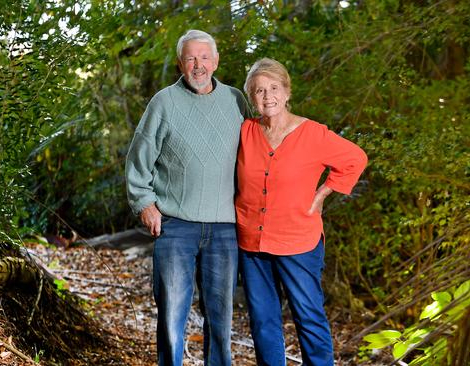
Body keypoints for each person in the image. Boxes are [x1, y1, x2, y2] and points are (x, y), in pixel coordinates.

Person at [125, 29, 250, 366]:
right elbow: (139, 158)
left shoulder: (237, 101)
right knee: (171, 316)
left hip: (224, 227)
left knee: (221, 318)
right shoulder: (164, 102)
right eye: (191, 58)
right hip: (176, 226)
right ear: (181, 63)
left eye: (205, 57)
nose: (199, 65)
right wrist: (145, 204)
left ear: (216, 61)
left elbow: (257, 154)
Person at [236, 58, 368, 365]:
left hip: (298, 241)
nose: (267, 96)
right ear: (251, 98)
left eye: (273, 88)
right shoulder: (245, 131)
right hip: (252, 243)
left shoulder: (313, 134)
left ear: (287, 91)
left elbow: (355, 158)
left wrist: (324, 192)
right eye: (258, 90)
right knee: (263, 322)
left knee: (308, 318)